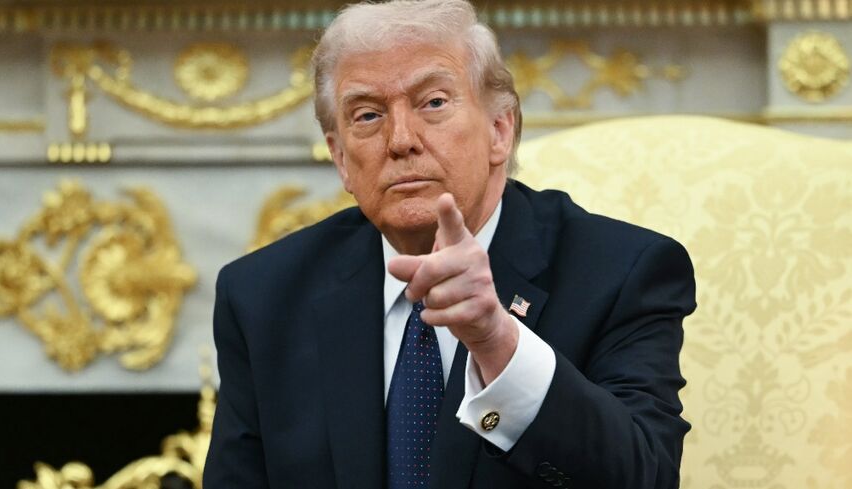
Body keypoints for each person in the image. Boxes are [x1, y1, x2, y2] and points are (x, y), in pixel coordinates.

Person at [203, 1, 696, 488]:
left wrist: (497, 342)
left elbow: (645, 477)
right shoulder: (262, 297)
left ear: (500, 130)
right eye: (368, 115)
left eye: (434, 103)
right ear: (340, 158)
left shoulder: (622, 272)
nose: (401, 140)